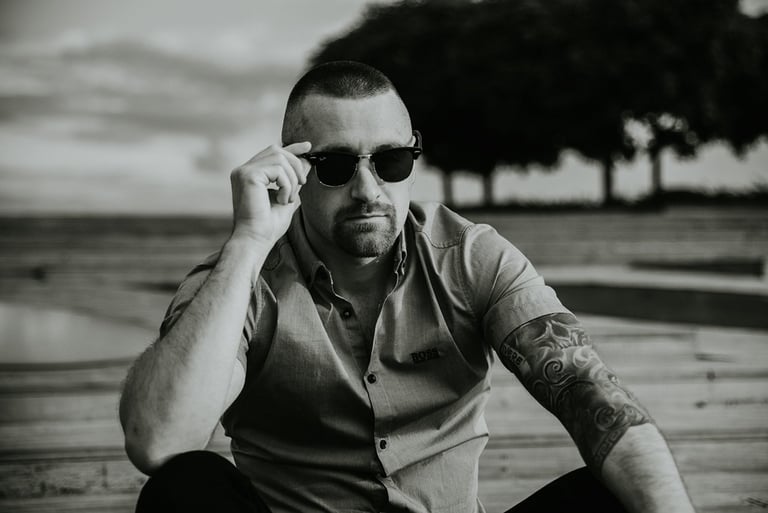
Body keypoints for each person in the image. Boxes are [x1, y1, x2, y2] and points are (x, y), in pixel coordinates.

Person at [119, 61, 695, 513]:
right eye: (336, 165)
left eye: (391, 160)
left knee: (622, 486)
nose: (369, 189)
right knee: (186, 487)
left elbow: (592, 395)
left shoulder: (469, 258)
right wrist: (248, 242)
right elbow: (158, 443)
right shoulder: (238, 283)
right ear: (291, 170)